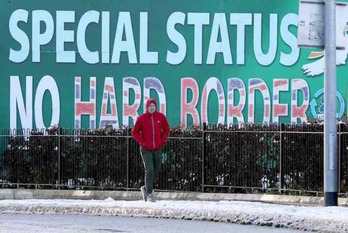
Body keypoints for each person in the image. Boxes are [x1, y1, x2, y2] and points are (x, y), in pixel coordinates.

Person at [132, 98, 170, 202]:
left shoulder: (161, 117)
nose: (152, 108)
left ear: (156, 107)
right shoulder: (141, 118)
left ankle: (145, 188)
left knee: (156, 170)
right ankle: (149, 194)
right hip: (146, 149)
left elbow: (166, 129)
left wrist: (161, 141)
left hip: (157, 148)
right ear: (147, 107)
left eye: (153, 106)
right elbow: (135, 132)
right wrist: (142, 142)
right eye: (150, 106)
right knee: (149, 169)